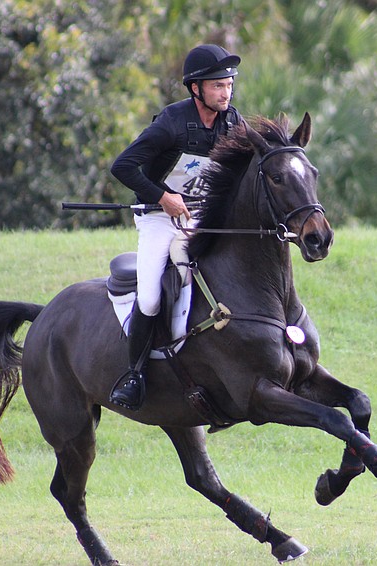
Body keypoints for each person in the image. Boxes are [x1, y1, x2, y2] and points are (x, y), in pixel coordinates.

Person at [108, 44, 243, 410]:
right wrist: (162, 196)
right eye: (217, 85)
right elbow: (122, 167)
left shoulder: (233, 122)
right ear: (196, 89)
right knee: (150, 297)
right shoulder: (170, 122)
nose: (226, 92)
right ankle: (134, 375)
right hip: (156, 218)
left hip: (199, 216)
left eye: (229, 84)